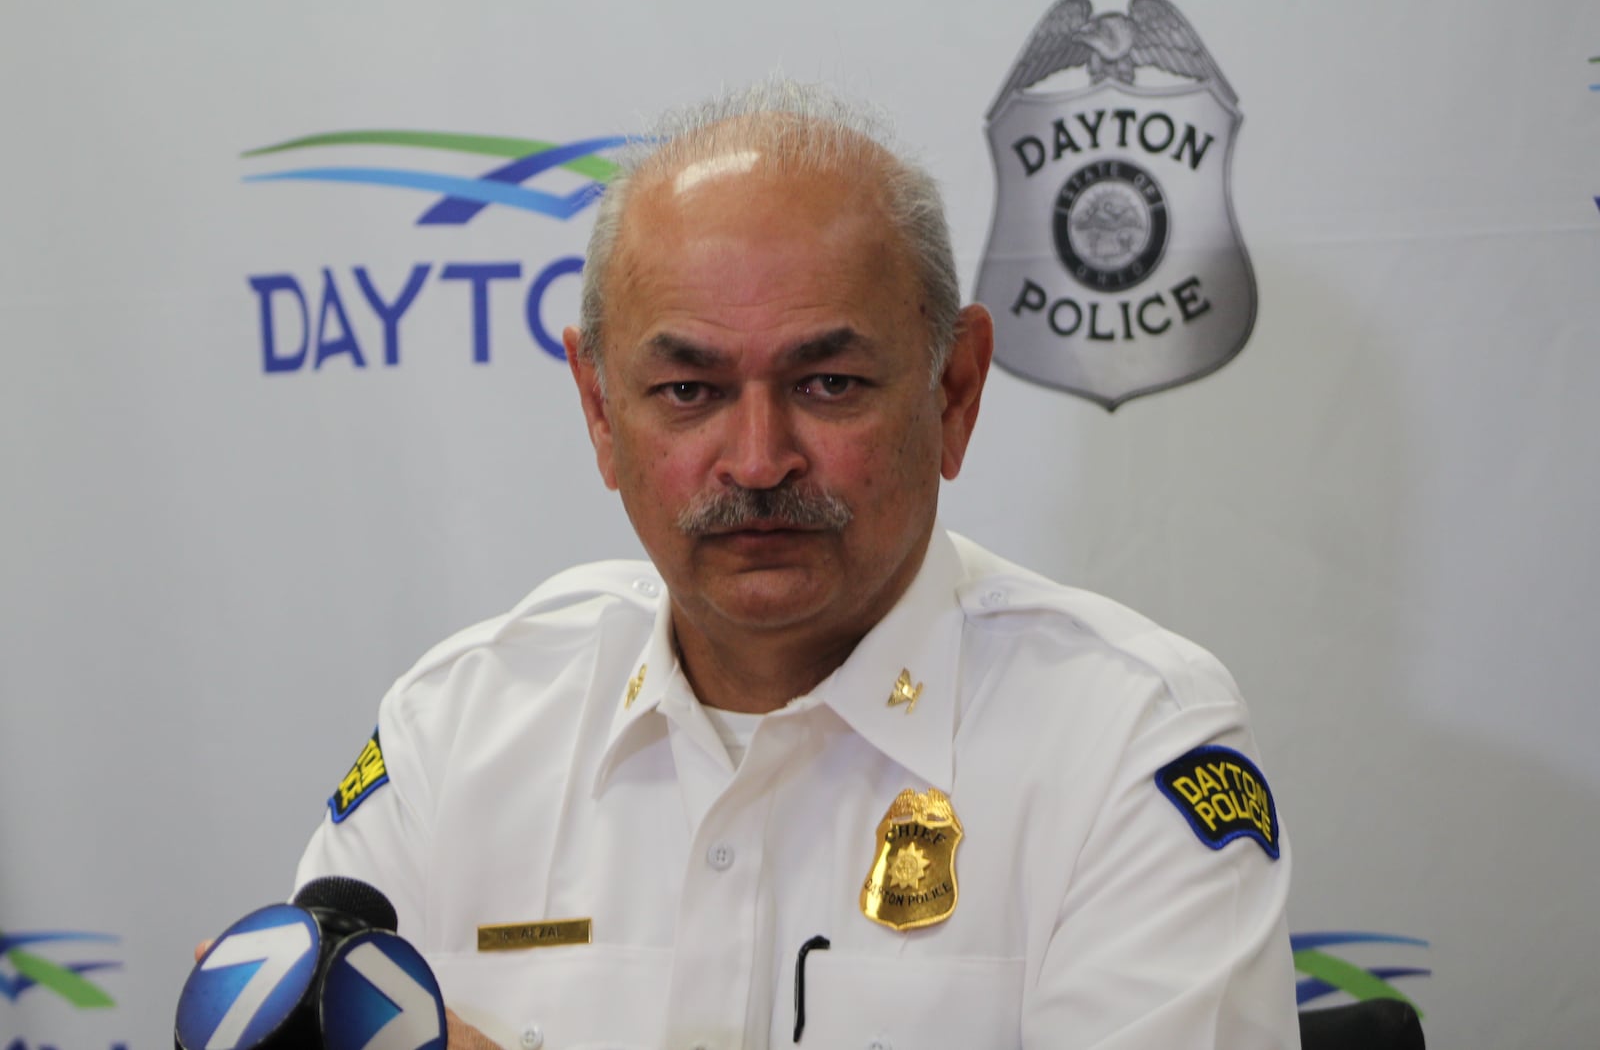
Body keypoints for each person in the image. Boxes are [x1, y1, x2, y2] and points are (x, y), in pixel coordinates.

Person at [295, 80, 1300, 1049]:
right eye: (689, 390)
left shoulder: (1125, 745)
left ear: (954, 390)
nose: (757, 458)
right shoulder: (456, 730)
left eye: (828, 382)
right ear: (601, 412)